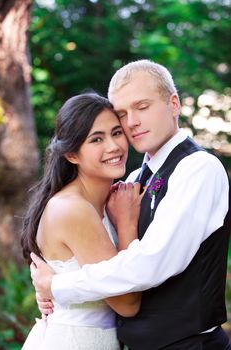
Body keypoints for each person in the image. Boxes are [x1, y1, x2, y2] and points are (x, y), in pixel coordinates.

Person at [30, 60, 231, 350]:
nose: (132, 121)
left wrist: (59, 286)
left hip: (188, 344)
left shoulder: (198, 168)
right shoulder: (135, 179)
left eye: (142, 106)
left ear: (174, 104)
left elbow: (151, 264)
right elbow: (77, 241)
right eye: (122, 113)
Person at [21, 92, 144, 350]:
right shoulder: (74, 209)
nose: (113, 146)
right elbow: (127, 303)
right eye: (96, 139)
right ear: (72, 155)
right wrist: (126, 224)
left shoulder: (102, 201)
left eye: (116, 133)